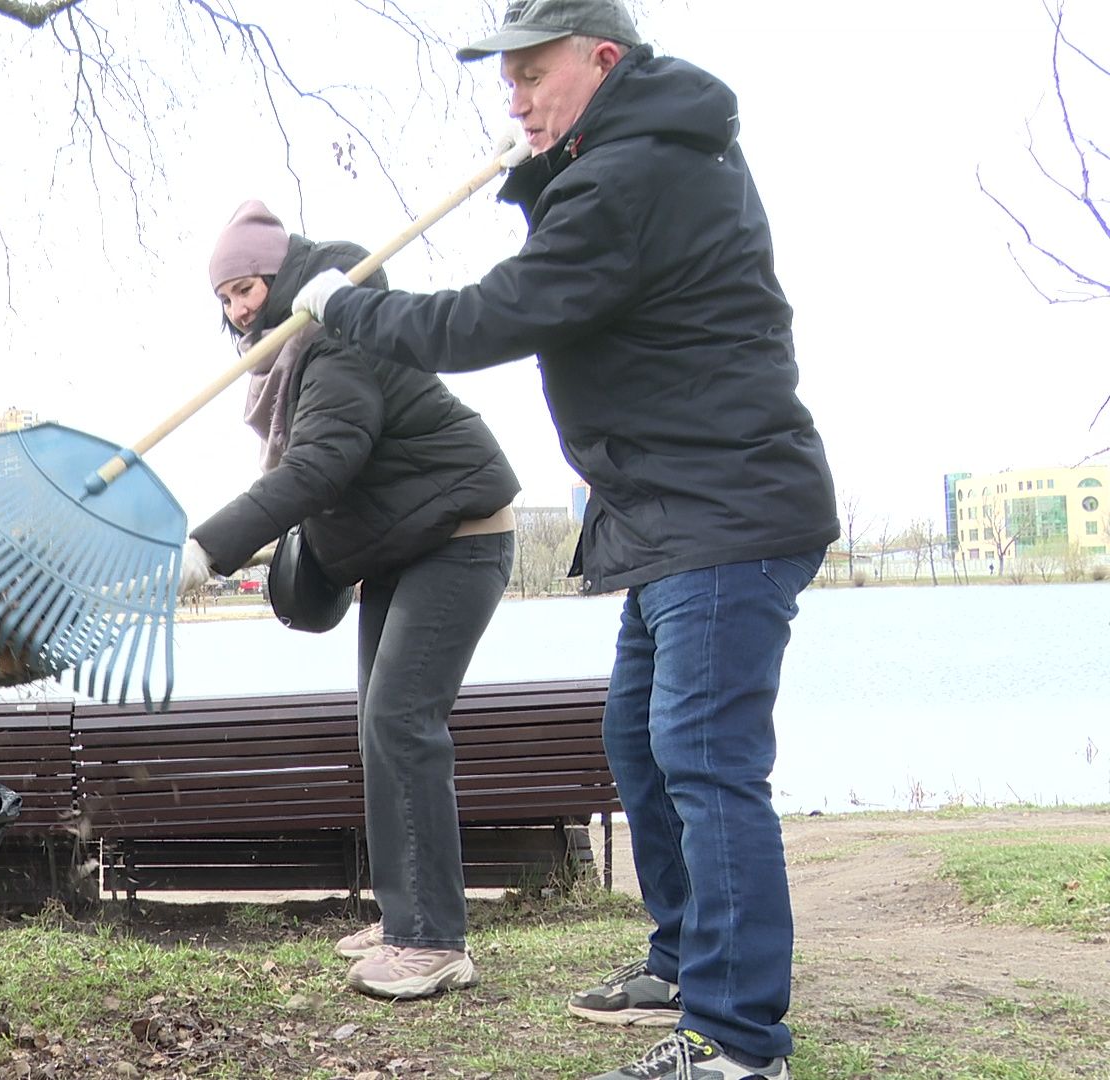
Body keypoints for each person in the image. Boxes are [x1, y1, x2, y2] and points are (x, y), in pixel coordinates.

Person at [291, 2, 838, 1077]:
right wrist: (547, 162)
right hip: (670, 513)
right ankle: (685, 960)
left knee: (708, 764)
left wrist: (344, 307)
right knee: (642, 745)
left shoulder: (636, 176)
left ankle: (736, 1040)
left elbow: (485, 321)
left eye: (532, 73)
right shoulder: (637, 157)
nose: (514, 97)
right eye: (507, 80)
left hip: (724, 510)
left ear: (603, 59)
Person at [178, 201, 522, 1000]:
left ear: (284, 274)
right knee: (379, 728)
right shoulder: (298, 356)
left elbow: (316, 469)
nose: (239, 308)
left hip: (461, 537)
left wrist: (208, 548)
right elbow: (307, 474)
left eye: (250, 286)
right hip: (405, 547)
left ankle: (432, 941)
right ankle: (408, 911)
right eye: (226, 296)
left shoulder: (339, 341)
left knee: (403, 723)